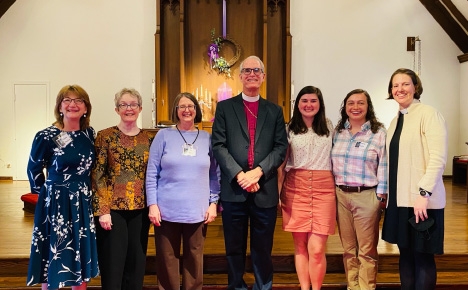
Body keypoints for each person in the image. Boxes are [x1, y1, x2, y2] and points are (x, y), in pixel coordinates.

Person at [211, 55, 288, 290]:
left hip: (264, 189)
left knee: (263, 247)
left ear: (263, 77)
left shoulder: (274, 111)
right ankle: (236, 285)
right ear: (240, 76)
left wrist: (258, 172)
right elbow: (218, 145)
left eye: (257, 70)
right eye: (247, 70)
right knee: (234, 247)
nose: (252, 74)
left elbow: (280, 147)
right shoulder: (225, 108)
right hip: (234, 189)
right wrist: (239, 174)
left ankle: (262, 285)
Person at [26, 85, 99, 290]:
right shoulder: (46, 135)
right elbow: (34, 170)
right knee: (54, 257)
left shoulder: (89, 134)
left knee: (79, 253)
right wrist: (47, 196)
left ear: (86, 108)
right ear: (59, 106)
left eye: (78, 101)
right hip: (56, 204)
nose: (72, 104)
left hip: (82, 203)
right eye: (67, 100)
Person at [146, 92, 220, 290]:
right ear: (176, 111)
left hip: (197, 211)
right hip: (166, 211)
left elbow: (215, 174)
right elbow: (152, 172)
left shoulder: (207, 138)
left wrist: (213, 203)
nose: (187, 110)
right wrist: (152, 205)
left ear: (196, 110)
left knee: (194, 261)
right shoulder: (163, 136)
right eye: (182, 106)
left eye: (191, 106)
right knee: (167, 260)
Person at [382, 68, 447, 290]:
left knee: (423, 258)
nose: (400, 89)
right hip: (400, 202)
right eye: (395, 85)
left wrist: (424, 193)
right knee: (406, 256)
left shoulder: (429, 114)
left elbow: (438, 158)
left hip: (422, 202)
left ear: (415, 86)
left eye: (405, 84)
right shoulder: (394, 122)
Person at [91, 88, 152, 290]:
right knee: (113, 263)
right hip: (112, 211)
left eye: (133, 104)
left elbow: (152, 175)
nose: (129, 108)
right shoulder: (105, 136)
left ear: (140, 108)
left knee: (136, 263)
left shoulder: (148, 139)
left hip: (140, 208)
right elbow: (97, 175)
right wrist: (102, 211)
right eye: (124, 105)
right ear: (117, 109)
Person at [278, 85, 335, 290]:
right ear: (297, 104)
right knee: (300, 246)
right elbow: (282, 165)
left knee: (317, 248)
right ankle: (304, 287)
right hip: (296, 187)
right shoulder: (289, 128)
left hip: (324, 189)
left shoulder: (329, 126)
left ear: (320, 105)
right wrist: (277, 193)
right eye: (304, 100)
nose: (308, 105)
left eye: (313, 101)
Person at [331, 89, 388, 290]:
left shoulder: (378, 133)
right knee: (348, 249)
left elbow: (384, 165)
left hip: (366, 196)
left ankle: (366, 287)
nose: (355, 107)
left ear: (368, 107)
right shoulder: (338, 132)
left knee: (366, 250)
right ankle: (352, 285)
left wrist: (382, 196)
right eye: (351, 103)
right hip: (340, 195)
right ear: (345, 107)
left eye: (360, 103)